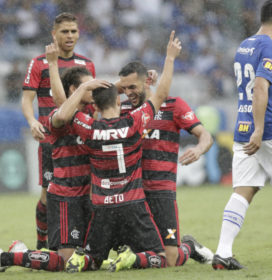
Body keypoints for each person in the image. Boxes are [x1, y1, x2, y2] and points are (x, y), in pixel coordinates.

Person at [50, 30, 181, 273]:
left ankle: (82, 260)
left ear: (95, 106)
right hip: (133, 204)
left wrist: (82, 89)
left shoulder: (89, 127)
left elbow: (62, 110)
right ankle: (133, 259)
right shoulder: (133, 122)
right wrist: (170, 58)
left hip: (101, 207)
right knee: (160, 257)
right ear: (119, 102)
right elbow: (161, 94)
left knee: (94, 259)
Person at [0, 69, 108, 276]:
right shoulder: (57, 115)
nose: (93, 90)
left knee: (94, 259)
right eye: (89, 86)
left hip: (87, 196)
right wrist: (83, 87)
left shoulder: (91, 115)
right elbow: (62, 114)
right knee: (67, 262)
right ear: (74, 89)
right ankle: (2, 257)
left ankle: (22, 251)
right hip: (66, 197)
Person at [212, 0, 272, 270]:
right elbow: (260, 87)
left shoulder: (245, 45)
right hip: (269, 128)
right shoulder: (270, 47)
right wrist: (260, 129)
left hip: (243, 128)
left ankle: (223, 252)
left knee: (243, 190)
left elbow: (257, 77)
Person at [117, 61, 214, 267]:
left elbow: (205, 136)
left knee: (171, 260)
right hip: (132, 192)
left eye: (132, 87)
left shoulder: (174, 105)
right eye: (123, 88)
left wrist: (198, 149)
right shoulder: (120, 109)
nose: (127, 93)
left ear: (147, 82)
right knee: (140, 253)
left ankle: (189, 245)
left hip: (162, 191)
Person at [21, 12, 96, 250]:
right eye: (65, 31)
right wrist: (32, 121)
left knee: (86, 192)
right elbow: (26, 100)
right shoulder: (39, 62)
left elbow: (92, 100)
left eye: (74, 31)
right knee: (48, 195)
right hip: (52, 139)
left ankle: (80, 242)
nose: (70, 36)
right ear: (54, 34)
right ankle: (43, 243)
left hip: (80, 141)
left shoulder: (86, 64)